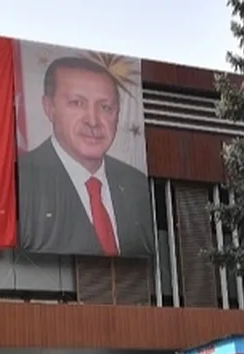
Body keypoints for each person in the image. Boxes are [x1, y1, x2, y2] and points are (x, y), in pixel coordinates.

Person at [17, 56, 156, 258]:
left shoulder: (135, 184)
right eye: (77, 103)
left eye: (105, 107)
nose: (93, 121)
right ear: (49, 108)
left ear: (118, 114)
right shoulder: (22, 179)